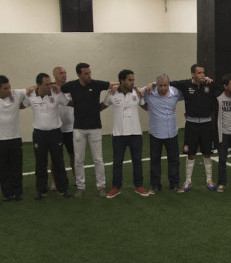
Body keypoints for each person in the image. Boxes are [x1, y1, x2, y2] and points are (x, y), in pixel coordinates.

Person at [60, 63, 109, 198]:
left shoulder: (96, 84)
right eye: (86, 74)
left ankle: (101, 187)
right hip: (78, 129)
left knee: (98, 159)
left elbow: (113, 84)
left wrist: (137, 87)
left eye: (89, 73)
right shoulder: (71, 86)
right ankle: (80, 187)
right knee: (78, 160)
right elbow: (56, 87)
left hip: (95, 128)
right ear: (79, 74)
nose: (89, 76)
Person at [173, 64, 218, 192]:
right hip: (191, 125)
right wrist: (151, 84)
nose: (202, 75)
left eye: (203, 72)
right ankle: (188, 181)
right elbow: (168, 83)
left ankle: (209, 180)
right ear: (193, 74)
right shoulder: (185, 85)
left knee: (207, 153)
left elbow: (225, 88)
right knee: (191, 154)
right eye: (199, 73)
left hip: (206, 125)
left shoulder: (210, 84)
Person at [25, 72, 69, 199]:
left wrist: (59, 89)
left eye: (50, 83)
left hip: (55, 133)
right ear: (38, 85)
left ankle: (63, 188)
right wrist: (30, 88)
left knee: (58, 162)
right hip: (39, 134)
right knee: (40, 163)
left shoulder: (56, 93)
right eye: (46, 84)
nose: (50, 86)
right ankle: (41, 190)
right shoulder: (30, 95)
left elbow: (68, 102)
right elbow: (21, 104)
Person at [105, 69, 148, 198]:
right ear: (122, 81)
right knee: (117, 162)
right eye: (130, 80)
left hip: (135, 133)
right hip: (118, 135)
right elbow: (102, 106)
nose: (132, 82)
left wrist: (142, 92)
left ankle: (139, 186)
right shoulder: (112, 93)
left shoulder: (137, 92)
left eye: (133, 80)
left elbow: (146, 107)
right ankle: (116, 187)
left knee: (137, 161)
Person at [143, 74, 184, 193]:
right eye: (160, 85)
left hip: (172, 132)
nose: (163, 88)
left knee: (174, 160)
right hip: (155, 133)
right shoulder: (149, 91)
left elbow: (188, 92)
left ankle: (175, 184)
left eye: (165, 85)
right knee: (155, 160)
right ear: (157, 85)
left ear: (169, 84)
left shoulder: (176, 92)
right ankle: (155, 185)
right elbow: (134, 91)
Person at [52, 65, 76, 187]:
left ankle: (77, 179)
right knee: (55, 157)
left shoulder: (71, 88)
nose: (64, 75)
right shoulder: (50, 89)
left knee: (74, 155)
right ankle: (55, 181)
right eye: (61, 73)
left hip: (71, 128)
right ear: (55, 75)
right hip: (56, 129)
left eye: (65, 73)